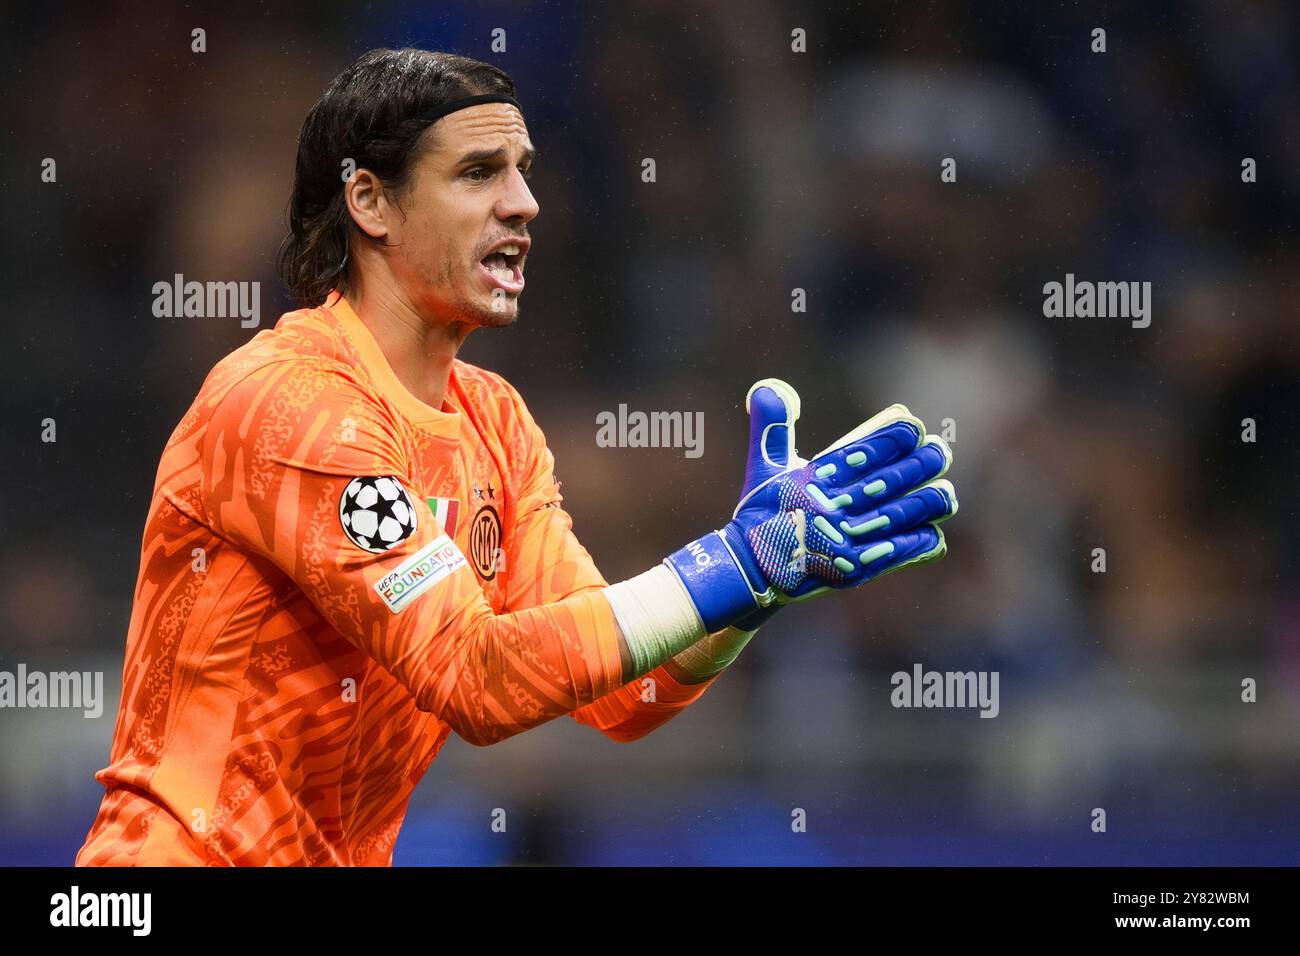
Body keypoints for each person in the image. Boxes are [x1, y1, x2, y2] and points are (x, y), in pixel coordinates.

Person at [77, 48, 956, 866]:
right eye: (477, 173)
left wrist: (751, 591)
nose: (524, 203)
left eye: (523, 172)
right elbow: (476, 678)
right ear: (370, 201)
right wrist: (727, 565)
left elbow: (622, 696)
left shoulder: (495, 424)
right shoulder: (287, 405)